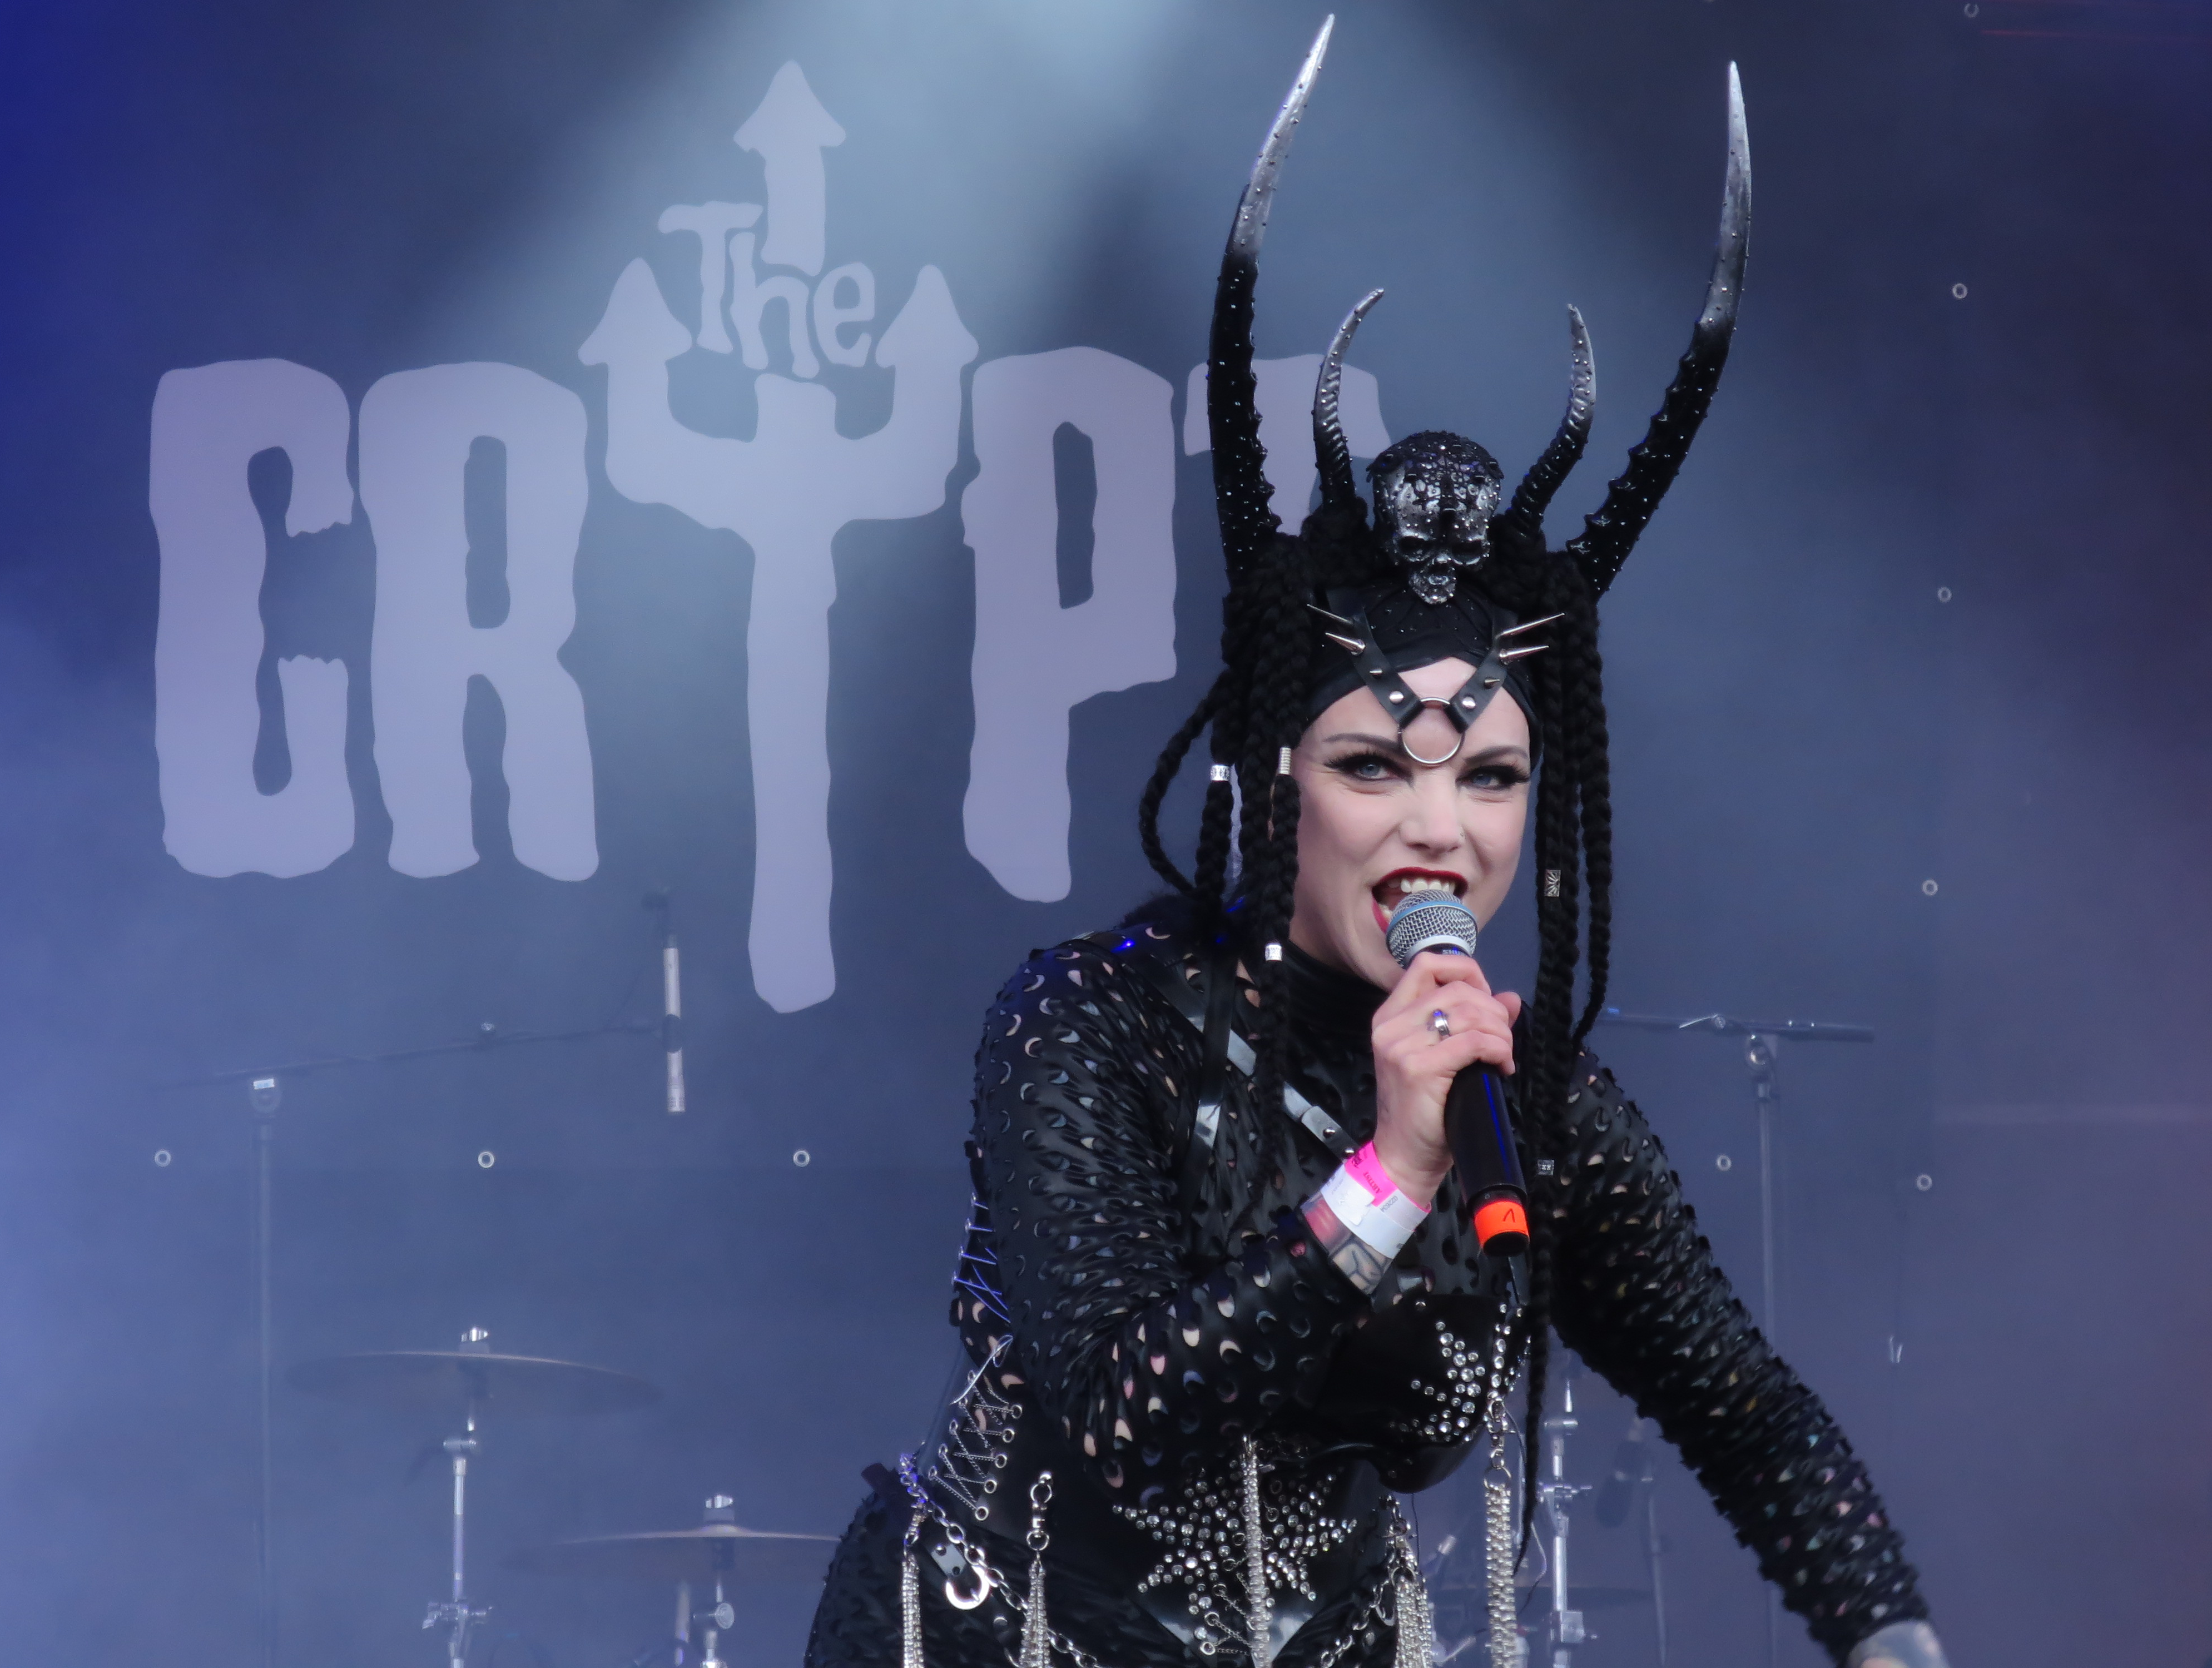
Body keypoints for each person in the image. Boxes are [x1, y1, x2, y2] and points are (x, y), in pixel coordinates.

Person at [806, 22, 1948, 1668]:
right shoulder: (1092, 1027)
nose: (1437, 830)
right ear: (1275, 786)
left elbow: (1747, 1410)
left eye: (1490, 778)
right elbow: (1132, 1415)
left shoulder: (1533, 1110)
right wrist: (1395, 1173)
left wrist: (1891, 1634)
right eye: (1372, 766)